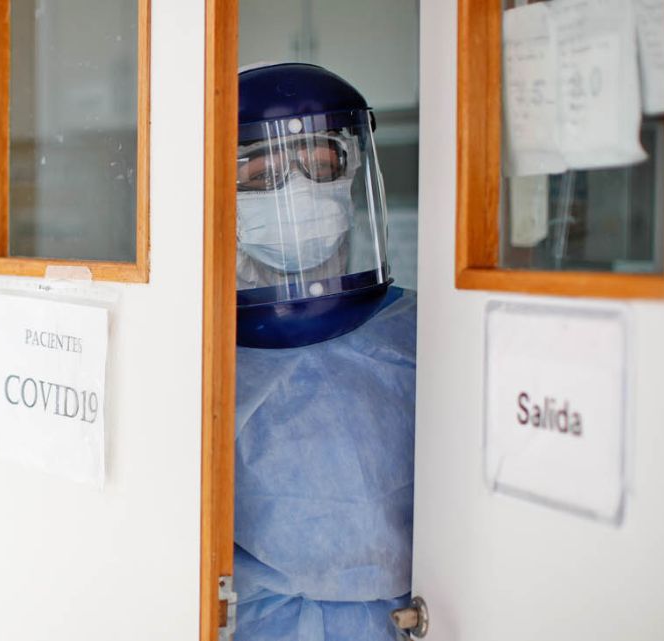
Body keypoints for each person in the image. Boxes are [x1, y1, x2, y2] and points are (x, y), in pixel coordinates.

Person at [232, 62, 416, 641]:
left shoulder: (417, 334)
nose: (298, 190)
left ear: (351, 171)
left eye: (319, 163)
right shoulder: (198, 356)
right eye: (262, 174)